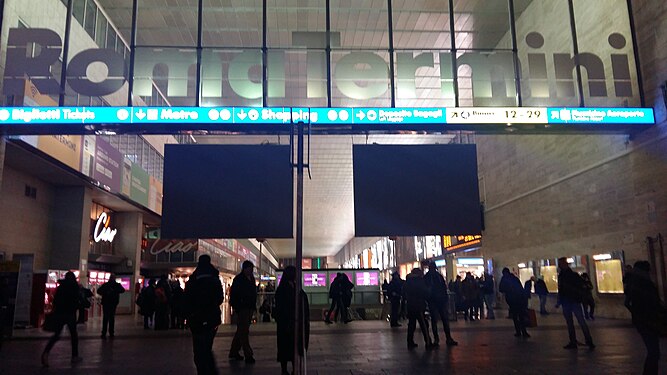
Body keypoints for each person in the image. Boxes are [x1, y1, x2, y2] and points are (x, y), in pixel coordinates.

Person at [184, 254, 225, 375]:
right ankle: (211, 369)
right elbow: (219, 299)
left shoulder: (193, 280)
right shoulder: (215, 279)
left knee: (199, 348)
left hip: (196, 318)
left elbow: (188, 300)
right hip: (212, 318)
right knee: (207, 347)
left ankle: (202, 370)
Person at [625, 261, 665, 375]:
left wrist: (636, 314)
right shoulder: (646, 284)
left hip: (643, 321)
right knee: (654, 352)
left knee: (653, 351)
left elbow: (627, 303)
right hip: (649, 320)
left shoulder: (633, 283)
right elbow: (654, 302)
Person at [273, 266, 310, 375]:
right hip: (286, 322)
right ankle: (284, 369)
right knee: (286, 346)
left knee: (293, 346)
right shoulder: (284, 289)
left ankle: (294, 368)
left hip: (293, 322)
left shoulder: (293, 287)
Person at [41, 271, 80, 367]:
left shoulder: (60, 287)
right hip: (70, 314)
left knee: (56, 335)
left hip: (60, 313)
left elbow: (55, 301)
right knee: (73, 335)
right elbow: (77, 300)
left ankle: (46, 353)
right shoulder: (75, 287)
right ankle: (74, 356)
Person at [556, 257, 594, 349]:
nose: (560, 266)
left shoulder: (566, 276)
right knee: (579, 321)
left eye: (561, 264)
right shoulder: (571, 275)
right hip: (572, 301)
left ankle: (576, 341)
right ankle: (587, 341)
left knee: (573, 322)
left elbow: (561, 290)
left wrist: (560, 301)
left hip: (570, 301)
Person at [229, 260, 257, 364]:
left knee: (241, 330)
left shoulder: (251, 279)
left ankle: (234, 351)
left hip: (248, 308)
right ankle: (248, 354)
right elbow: (234, 295)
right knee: (244, 332)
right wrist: (237, 307)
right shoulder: (239, 279)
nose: (251, 271)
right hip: (242, 308)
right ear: (245, 269)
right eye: (249, 269)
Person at [423, 261, 458, 346]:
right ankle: (446, 338)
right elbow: (443, 287)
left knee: (437, 320)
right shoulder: (437, 276)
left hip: (435, 301)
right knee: (442, 320)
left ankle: (438, 339)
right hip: (437, 301)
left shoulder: (429, 277)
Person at [403, 268, 433, 350]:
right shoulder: (419, 281)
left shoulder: (408, 281)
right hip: (419, 305)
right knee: (423, 324)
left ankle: (410, 341)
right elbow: (425, 292)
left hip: (410, 305)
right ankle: (428, 341)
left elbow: (404, 292)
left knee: (411, 324)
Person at [499, 267, 530, 338]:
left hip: (511, 300)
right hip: (519, 299)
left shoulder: (504, 279)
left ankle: (518, 331)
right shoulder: (515, 278)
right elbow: (520, 288)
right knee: (521, 316)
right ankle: (524, 331)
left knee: (515, 316)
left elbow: (501, 289)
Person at [97, 274, 125, 339]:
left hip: (107, 303)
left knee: (106, 318)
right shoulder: (116, 285)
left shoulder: (106, 285)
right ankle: (111, 332)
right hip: (113, 303)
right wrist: (115, 291)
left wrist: (106, 292)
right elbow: (122, 290)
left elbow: (99, 291)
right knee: (111, 318)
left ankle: (104, 333)